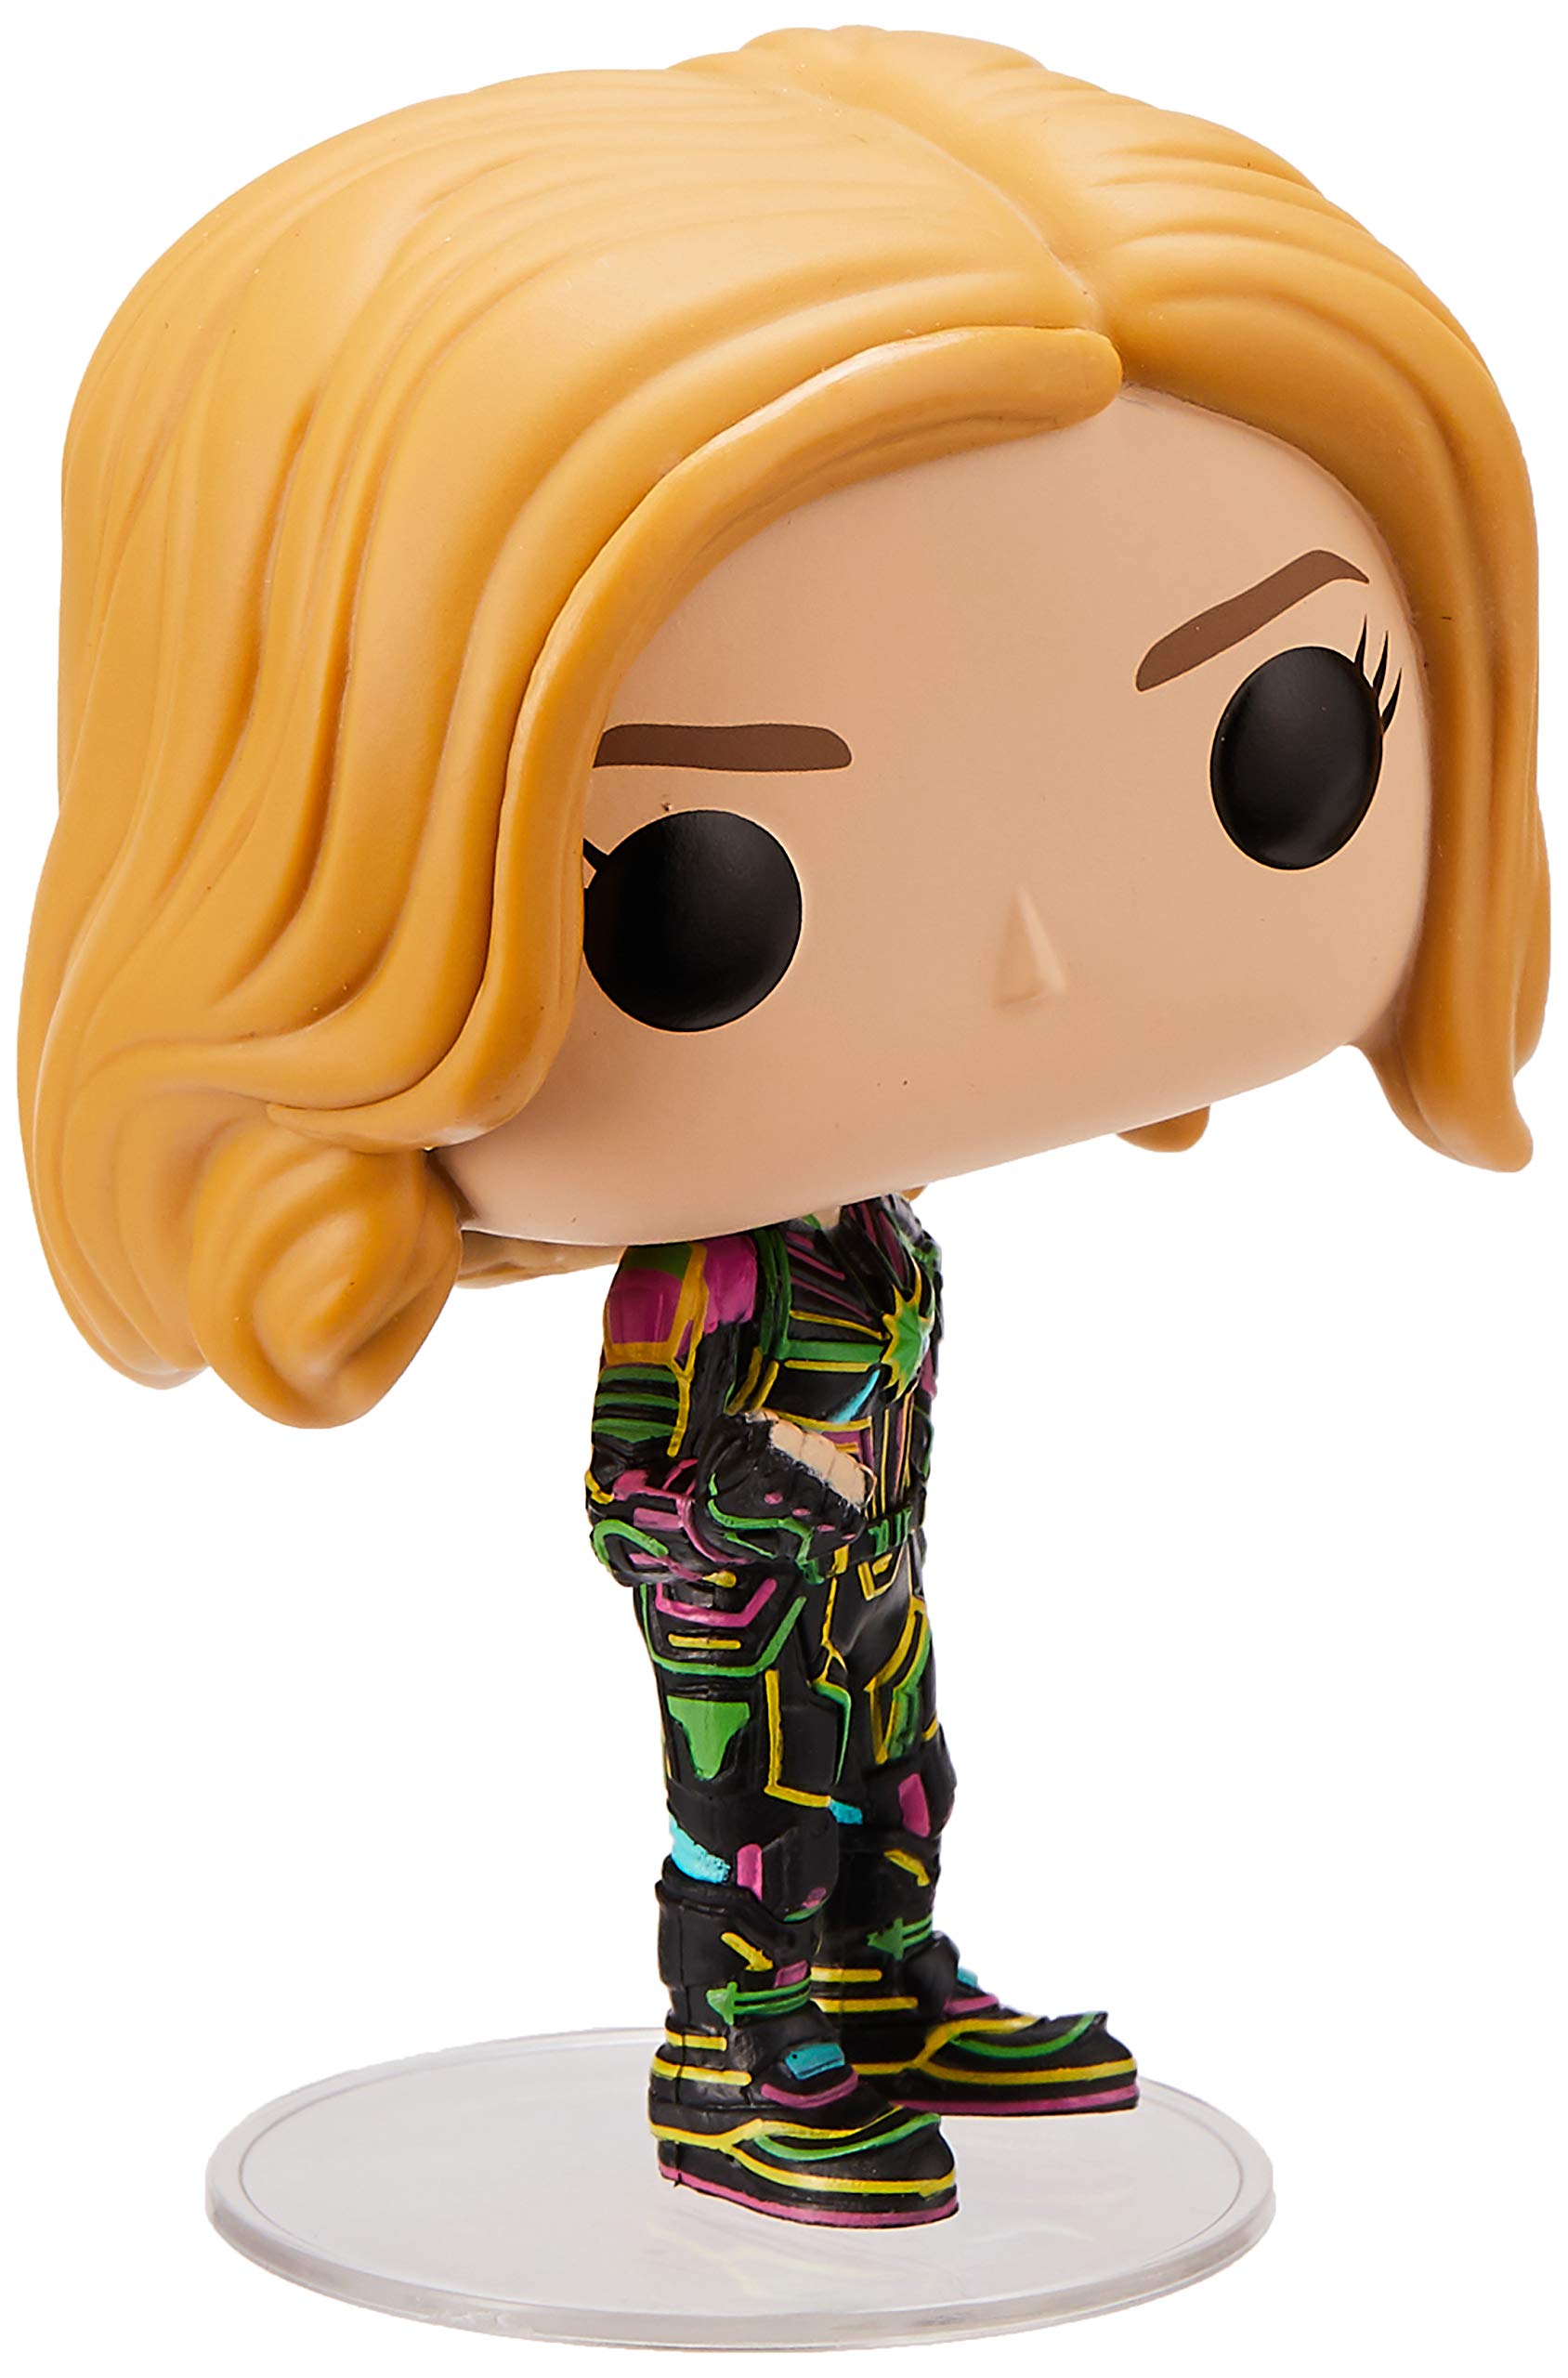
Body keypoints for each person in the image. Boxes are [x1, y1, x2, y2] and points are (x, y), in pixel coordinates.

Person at [21, 29, 1545, 2226]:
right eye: (688, 885)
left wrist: (862, 1518)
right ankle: (743, 2052)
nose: (1030, 955)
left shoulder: (857, 1222)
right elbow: (649, 1466)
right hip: (749, 1572)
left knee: (897, 1762)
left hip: (859, 1548)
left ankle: (894, 1982)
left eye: (1282, 743)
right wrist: (753, 1530)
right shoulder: (718, 1264)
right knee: (759, 1810)